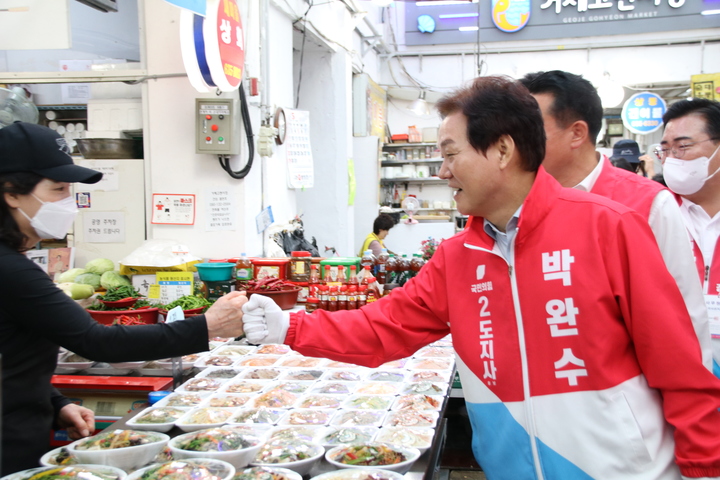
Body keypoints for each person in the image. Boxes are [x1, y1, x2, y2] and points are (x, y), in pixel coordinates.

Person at [241, 76, 720, 479]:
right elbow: (384, 326)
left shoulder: (609, 228)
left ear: (503, 150)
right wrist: (291, 327)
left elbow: (681, 367)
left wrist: (704, 470)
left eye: (451, 154)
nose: (445, 172)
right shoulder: (457, 257)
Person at [0, 122, 248, 475]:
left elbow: (13, 356)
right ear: (11, 193)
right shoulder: (10, 270)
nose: (69, 202)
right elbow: (96, 340)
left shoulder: (12, 263)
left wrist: (55, 403)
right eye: (58, 189)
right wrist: (206, 326)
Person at [519, 70, 714, 373]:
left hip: (628, 399)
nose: (516, 142)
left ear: (577, 133)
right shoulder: (516, 206)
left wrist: (691, 413)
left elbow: (683, 318)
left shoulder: (647, 204)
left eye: (529, 129)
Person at [658, 97, 720, 377]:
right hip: (680, 366)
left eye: (683, 147)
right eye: (665, 150)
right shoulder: (654, 212)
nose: (671, 159)